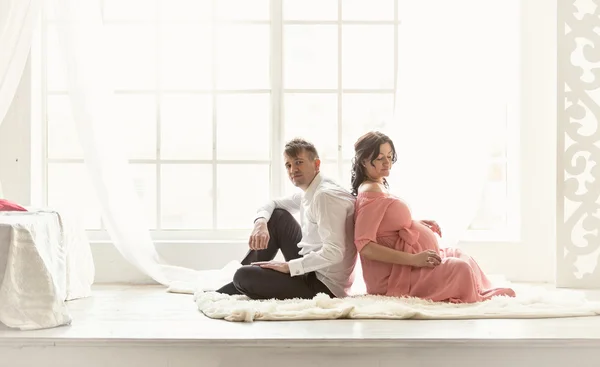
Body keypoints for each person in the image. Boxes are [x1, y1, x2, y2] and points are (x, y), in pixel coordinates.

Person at [351, 131, 515, 303]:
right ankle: (477, 295)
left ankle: (479, 291)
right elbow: (365, 246)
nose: (387, 163)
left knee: (459, 255)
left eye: (390, 156)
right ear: (364, 161)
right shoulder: (370, 191)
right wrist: (414, 259)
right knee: (461, 268)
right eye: (380, 158)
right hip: (394, 275)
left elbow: (385, 224)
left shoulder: (378, 184)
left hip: (407, 265)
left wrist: (415, 224)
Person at [216, 138, 357, 300]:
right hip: (312, 267)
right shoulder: (312, 189)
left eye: (299, 162)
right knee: (277, 216)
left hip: (323, 284)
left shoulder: (324, 196)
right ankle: (236, 283)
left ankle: (236, 282)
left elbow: (335, 253)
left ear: (316, 164)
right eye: (288, 165)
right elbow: (273, 203)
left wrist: (290, 266)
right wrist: (260, 223)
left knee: (243, 276)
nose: (293, 169)